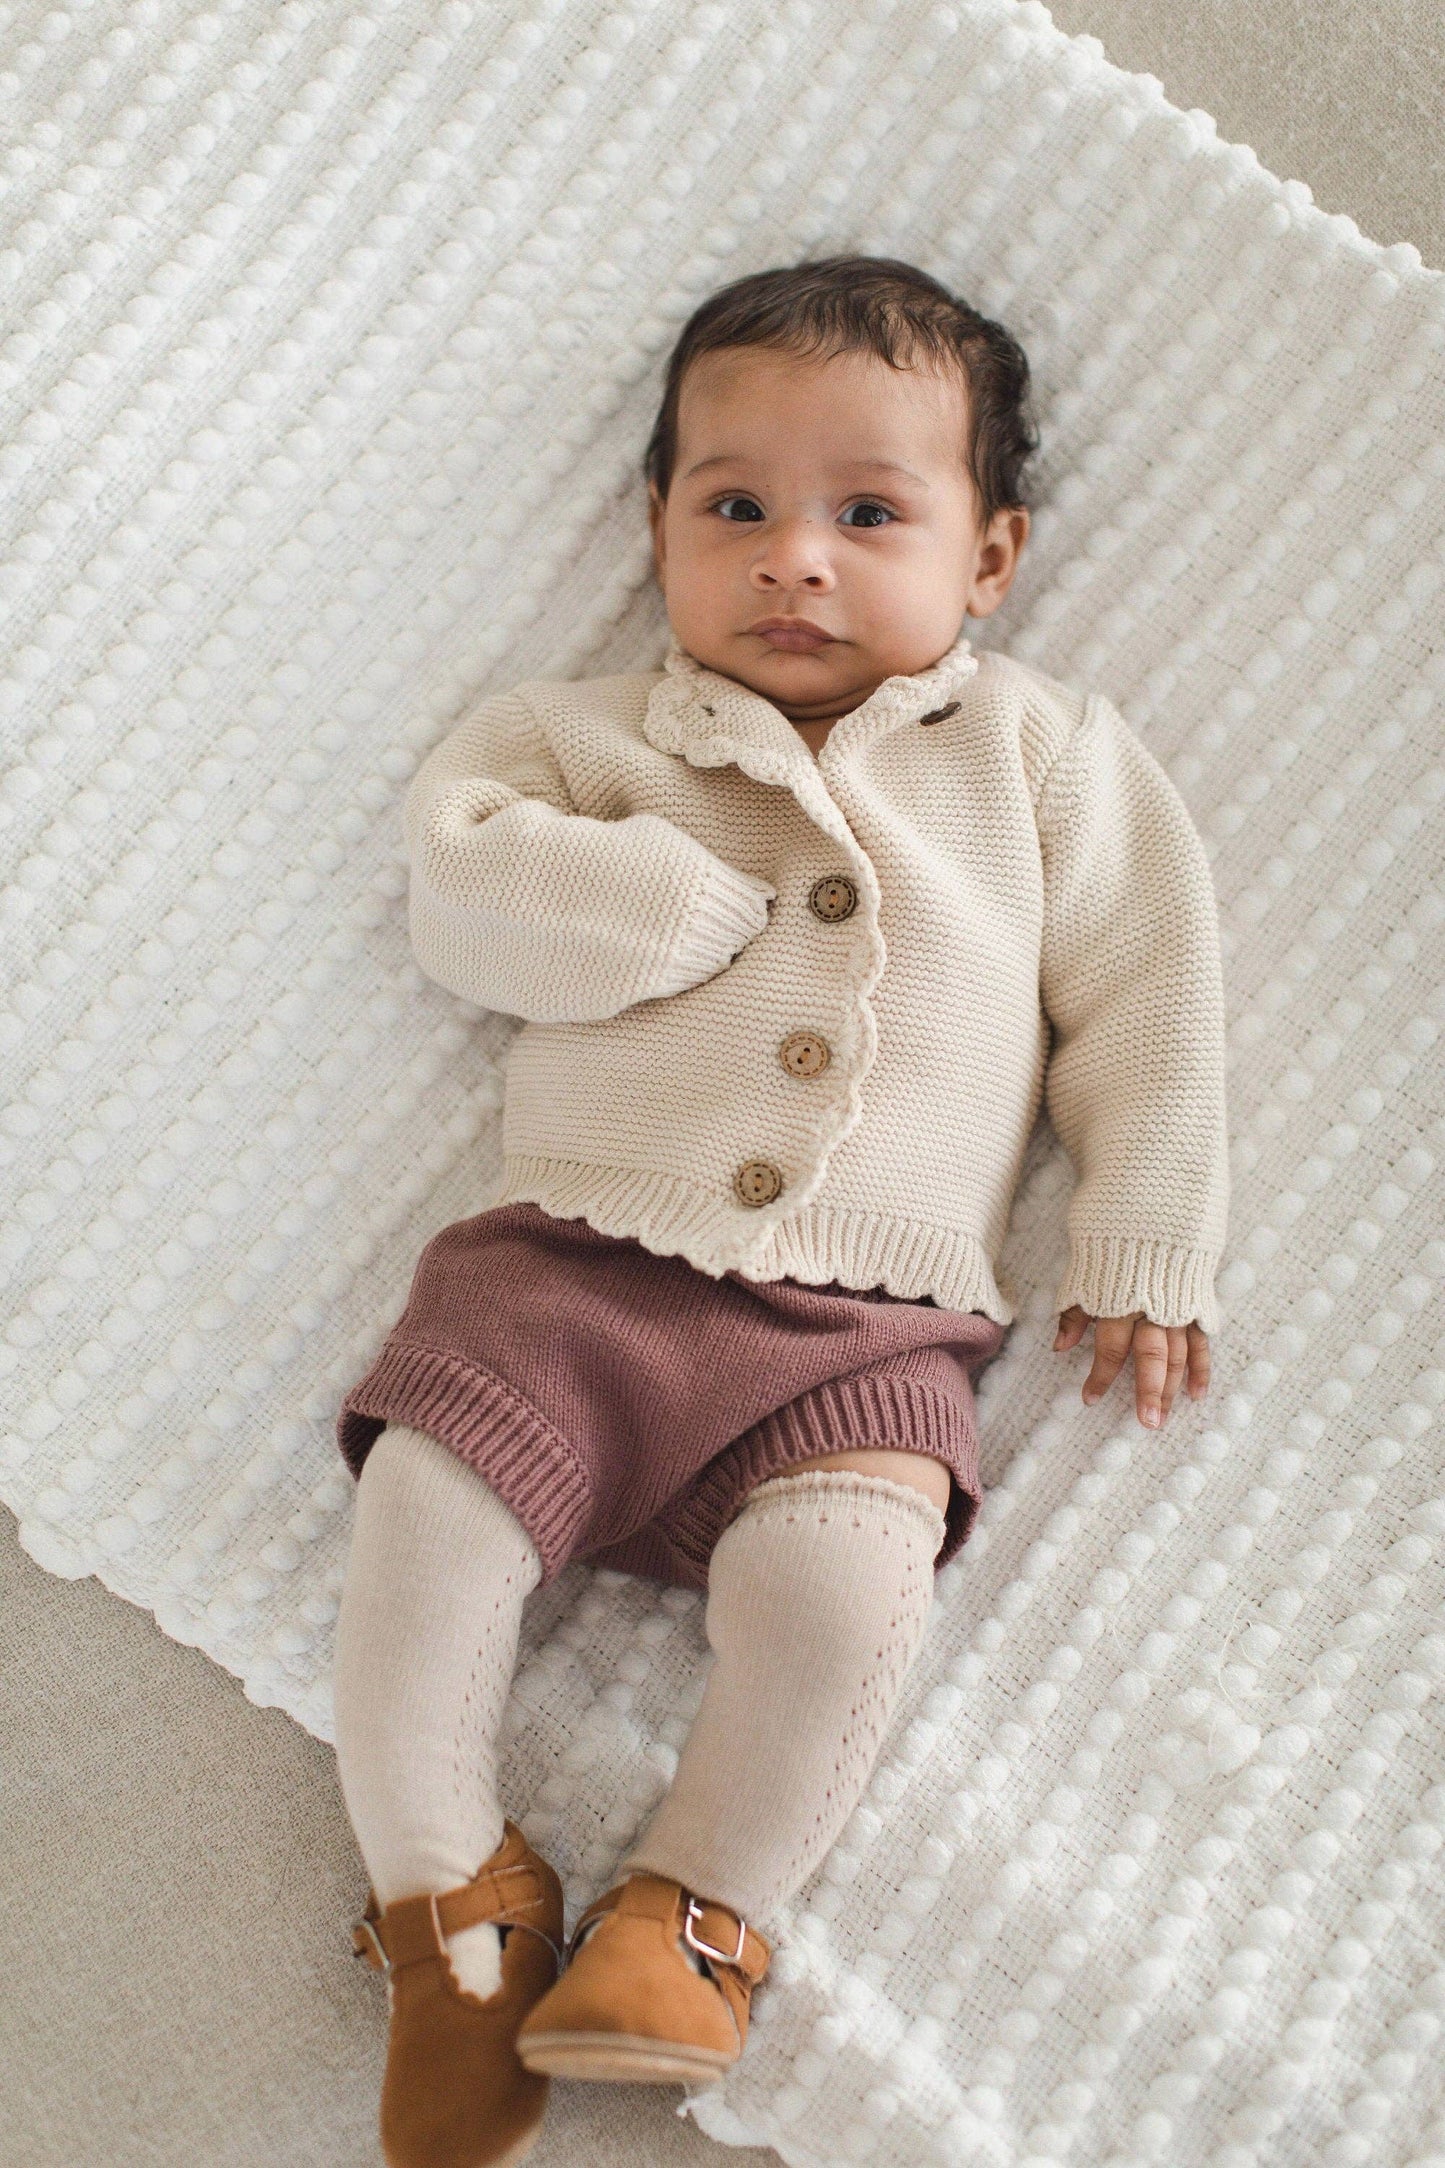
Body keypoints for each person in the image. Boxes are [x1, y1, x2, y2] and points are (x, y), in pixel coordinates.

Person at [330, 255, 1229, 2167]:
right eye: (732, 507)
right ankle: (449, 1912)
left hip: (864, 1334)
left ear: (987, 559)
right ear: (651, 523)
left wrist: (1144, 1231)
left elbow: (1148, 996)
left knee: (842, 1598)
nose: (792, 560)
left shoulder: (1042, 761)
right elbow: (459, 891)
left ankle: (693, 1913)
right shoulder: (580, 744)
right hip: (562, 1279)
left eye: (867, 515)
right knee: (419, 1525)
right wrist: (648, 900)